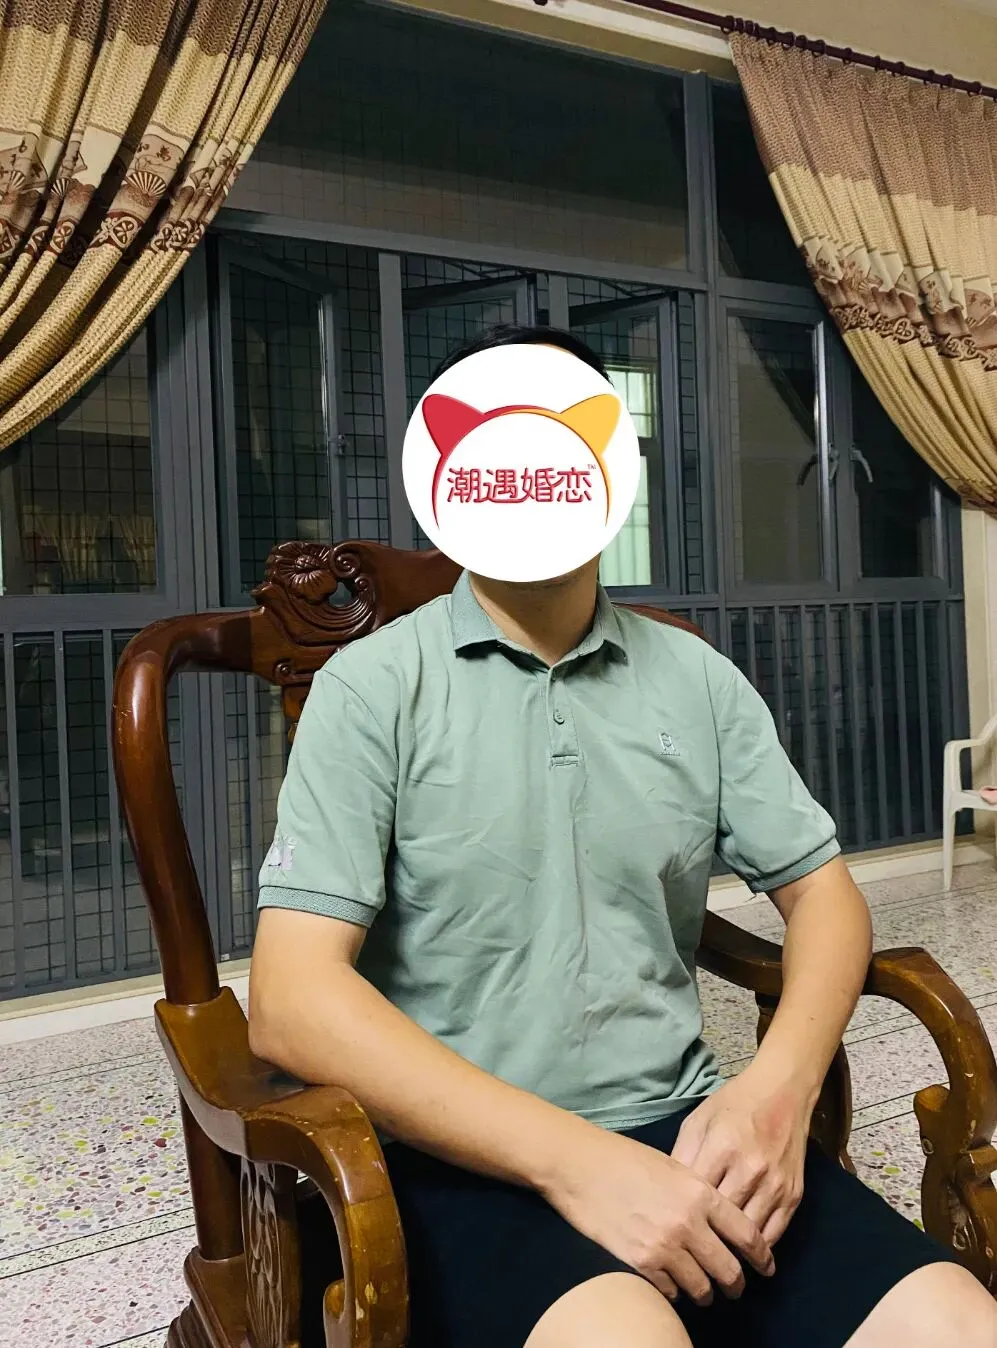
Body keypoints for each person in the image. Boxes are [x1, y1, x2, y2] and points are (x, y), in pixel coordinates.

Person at [249, 326, 997, 1348]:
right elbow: (290, 1000)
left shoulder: (694, 678)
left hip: (689, 1127)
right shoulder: (372, 688)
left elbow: (823, 895)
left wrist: (773, 1097)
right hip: (462, 1157)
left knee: (959, 1324)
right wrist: (577, 1164)